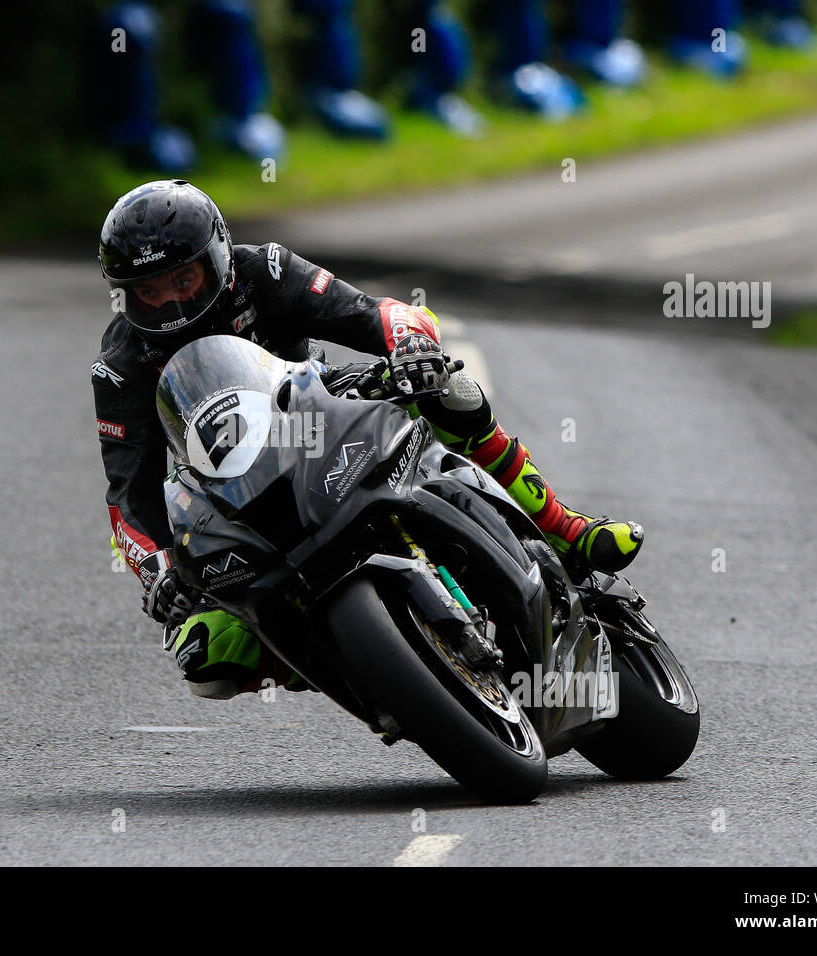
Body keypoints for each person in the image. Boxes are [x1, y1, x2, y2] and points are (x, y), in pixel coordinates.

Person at [92, 180, 644, 699]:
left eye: (182, 280)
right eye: (148, 291)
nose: (171, 303)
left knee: (450, 391)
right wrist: (156, 571)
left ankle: (564, 528)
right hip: (233, 496)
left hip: (322, 418)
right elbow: (128, 497)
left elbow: (368, 312)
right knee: (206, 657)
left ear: (215, 260)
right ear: (126, 296)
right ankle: (357, 664)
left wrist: (408, 347)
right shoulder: (119, 367)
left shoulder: (263, 269)